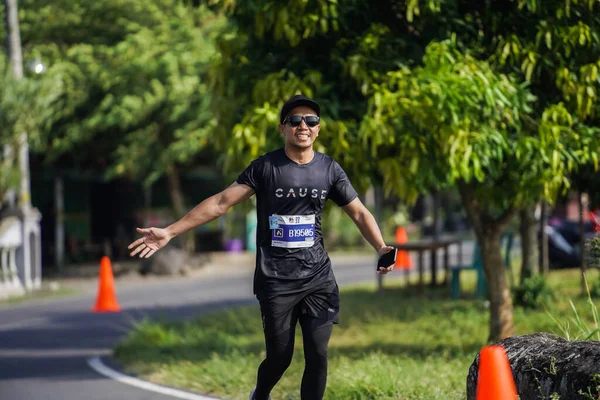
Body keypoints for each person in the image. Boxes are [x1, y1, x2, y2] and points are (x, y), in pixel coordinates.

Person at [128, 94, 396, 400]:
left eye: (311, 121)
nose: (303, 126)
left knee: (318, 355)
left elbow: (359, 212)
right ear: (283, 128)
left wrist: (381, 246)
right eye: (294, 120)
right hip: (276, 281)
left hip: (318, 279)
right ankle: (261, 395)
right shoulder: (266, 167)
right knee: (280, 358)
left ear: (318, 129)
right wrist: (170, 232)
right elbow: (220, 203)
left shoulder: (329, 170)